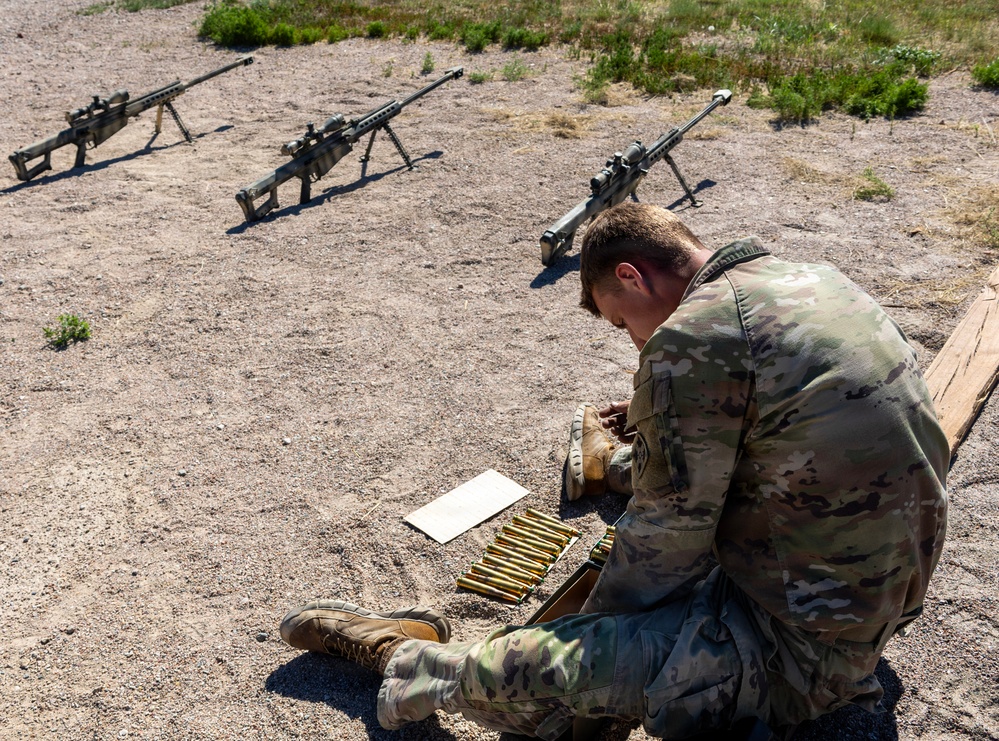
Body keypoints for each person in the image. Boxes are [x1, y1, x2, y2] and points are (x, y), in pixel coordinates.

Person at [279, 202, 949, 740]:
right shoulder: (814, 280)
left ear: (631, 276)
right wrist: (657, 418)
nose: (633, 338)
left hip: (800, 653)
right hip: (879, 599)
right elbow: (781, 424)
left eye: (620, 321)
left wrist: (581, 640)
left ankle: (404, 659)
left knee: (551, 688)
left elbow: (664, 540)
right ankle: (613, 474)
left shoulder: (691, 338)